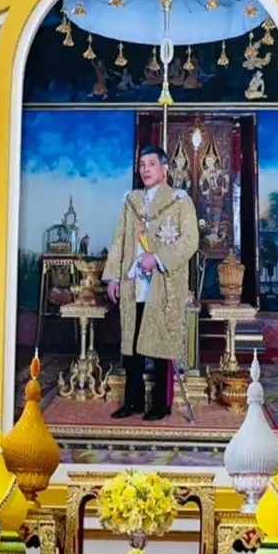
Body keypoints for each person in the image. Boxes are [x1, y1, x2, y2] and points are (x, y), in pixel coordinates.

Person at [103, 145, 200, 421]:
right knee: (131, 344)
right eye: (142, 164)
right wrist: (113, 277)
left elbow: (190, 241)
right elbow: (119, 240)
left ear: (165, 168)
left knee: (160, 346)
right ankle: (132, 401)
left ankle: (160, 404)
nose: (145, 169)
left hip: (163, 285)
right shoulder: (131, 201)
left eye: (151, 164)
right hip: (133, 283)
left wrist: (157, 258)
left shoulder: (180, 201)